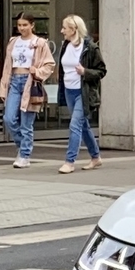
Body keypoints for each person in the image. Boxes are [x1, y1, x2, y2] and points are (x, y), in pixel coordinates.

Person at [2, 14, 53, 167]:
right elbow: (7, 65)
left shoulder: (40, 43)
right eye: (19, 25)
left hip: (30, 82)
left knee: (26, 123)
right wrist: (4, 86)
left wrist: (36, 71)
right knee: (9, 118)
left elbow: (49, 64)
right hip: (15, 81)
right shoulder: (13, 42)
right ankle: (22, 146)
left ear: (32, 25)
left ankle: (24, 155)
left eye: (25, 25)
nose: (22, 28)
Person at [55, 14, 103, 173]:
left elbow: (101, 71)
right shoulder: (65, 45)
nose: (62, 31)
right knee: (83, 126)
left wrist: (85, 71)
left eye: (65, 28)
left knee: (75, 124)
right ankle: (95, 157)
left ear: (74, 29)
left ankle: (69, 161)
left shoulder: (90, 47)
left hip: (84, 92)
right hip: (69, 91)